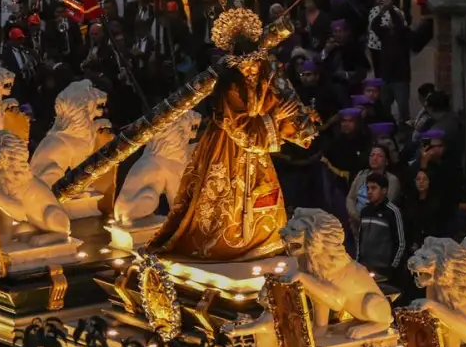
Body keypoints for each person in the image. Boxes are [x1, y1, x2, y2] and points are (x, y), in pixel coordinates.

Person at [148, 19, 317, 261]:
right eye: (246, 66)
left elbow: (274, 107)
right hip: (227, 147)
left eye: (255, 65)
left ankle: (262, 240)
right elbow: (241, 128)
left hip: (256, 150)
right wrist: (275, 116)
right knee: (223, 201)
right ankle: (223, 244)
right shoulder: (229, 86)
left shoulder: (263, 78)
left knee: (261, 196)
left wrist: (296, 127)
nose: (251, 70)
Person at [356, 173, 406, 275]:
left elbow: (401, 243)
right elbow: (360, 239)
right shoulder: (365, 211)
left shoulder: (392, 212)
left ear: (384, 190)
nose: (369, 192)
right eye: (368, 188)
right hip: (364, 267)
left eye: (373, 188)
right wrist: (358, 262)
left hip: (383, 268)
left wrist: (392, 267)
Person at [347, 145, 402, 239]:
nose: (375, 158)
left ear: (386, 161)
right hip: (355, 222)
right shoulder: (362, 174)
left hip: (377, 224)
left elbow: (386, 204)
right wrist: (354, 215)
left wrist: (365, 218)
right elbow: (350, 198)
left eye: (379, 156)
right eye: (372, 155)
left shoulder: (391, 180)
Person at [403, 168, 451, 249]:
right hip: (412, 244)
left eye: (425, 179)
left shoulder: (438, 203)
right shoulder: (410, 201)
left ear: (430, 182)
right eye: (418, 179)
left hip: (433, 244)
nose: (421, 182)